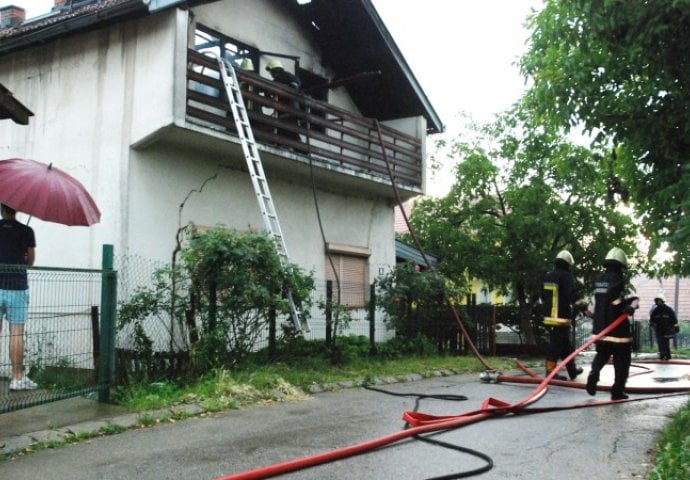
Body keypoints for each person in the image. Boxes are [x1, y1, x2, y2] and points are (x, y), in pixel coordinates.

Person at [586, 247, 638, 400]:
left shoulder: (600, 279)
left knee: (602, 354)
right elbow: (613, 297)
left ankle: (593, 373)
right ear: (621, 265)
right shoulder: (617, 278)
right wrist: (625, 307)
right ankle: (617, 391)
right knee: (622, 359)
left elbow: (605, 299)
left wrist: (625, 302)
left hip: (600, 327)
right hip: (617, 329)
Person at [0, 203, 37, 391]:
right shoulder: (27, 231)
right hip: (17, 287)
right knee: (16, 333)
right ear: (17, 210)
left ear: (1, 209)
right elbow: (30, 260)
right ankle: (16, 378)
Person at [541, 250, 588, 380]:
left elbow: (543, 296)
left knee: (566, 346)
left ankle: (572, 370)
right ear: (568, 264)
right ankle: (550, 373)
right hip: (561, 317)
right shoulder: (566, 276)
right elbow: (571, 295)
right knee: (555, 346)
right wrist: (584, 308)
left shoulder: (548, 276)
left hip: (549, 316)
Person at [265, 59, 302, 142]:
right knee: (283, 129)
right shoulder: (277, 80)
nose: (271, 74)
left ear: (275, 70)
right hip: (284, 109)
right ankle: (284, 144)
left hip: (290, 108)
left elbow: (296, 84)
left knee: (291, 129)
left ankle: (300, 150)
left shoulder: (287, 76)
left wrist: (290, 89)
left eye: (271, 72)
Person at [649, 292, 679, 360]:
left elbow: (674, 320)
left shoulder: (668, 310)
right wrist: (652, 325)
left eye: (658, 300)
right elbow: (652, 320)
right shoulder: (655, 310)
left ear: (662, 301)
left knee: (665, 342)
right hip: (659, 330)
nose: (657, 302)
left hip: (667, 330)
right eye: (656, 301)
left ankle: (667, 355)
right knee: (660, 343)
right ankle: (663, 355)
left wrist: (676, 327)